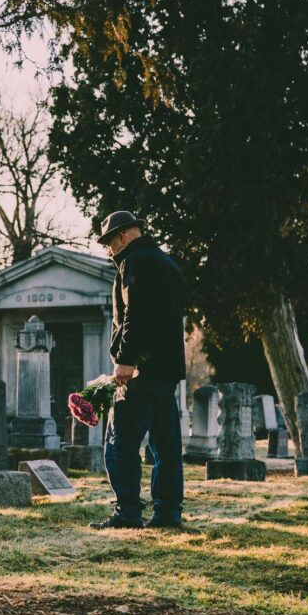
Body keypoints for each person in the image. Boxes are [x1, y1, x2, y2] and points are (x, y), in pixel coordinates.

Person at [89, 211, 186, 530]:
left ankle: (127, 512)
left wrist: (125, 360)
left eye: (108, 242)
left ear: (122, 236)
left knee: (120, 443)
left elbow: (135, 315)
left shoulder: (134, 263)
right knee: (166, 445)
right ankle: (167, 513)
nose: (107, 250)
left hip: (140, 370)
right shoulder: (167, 263)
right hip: (167, 370)